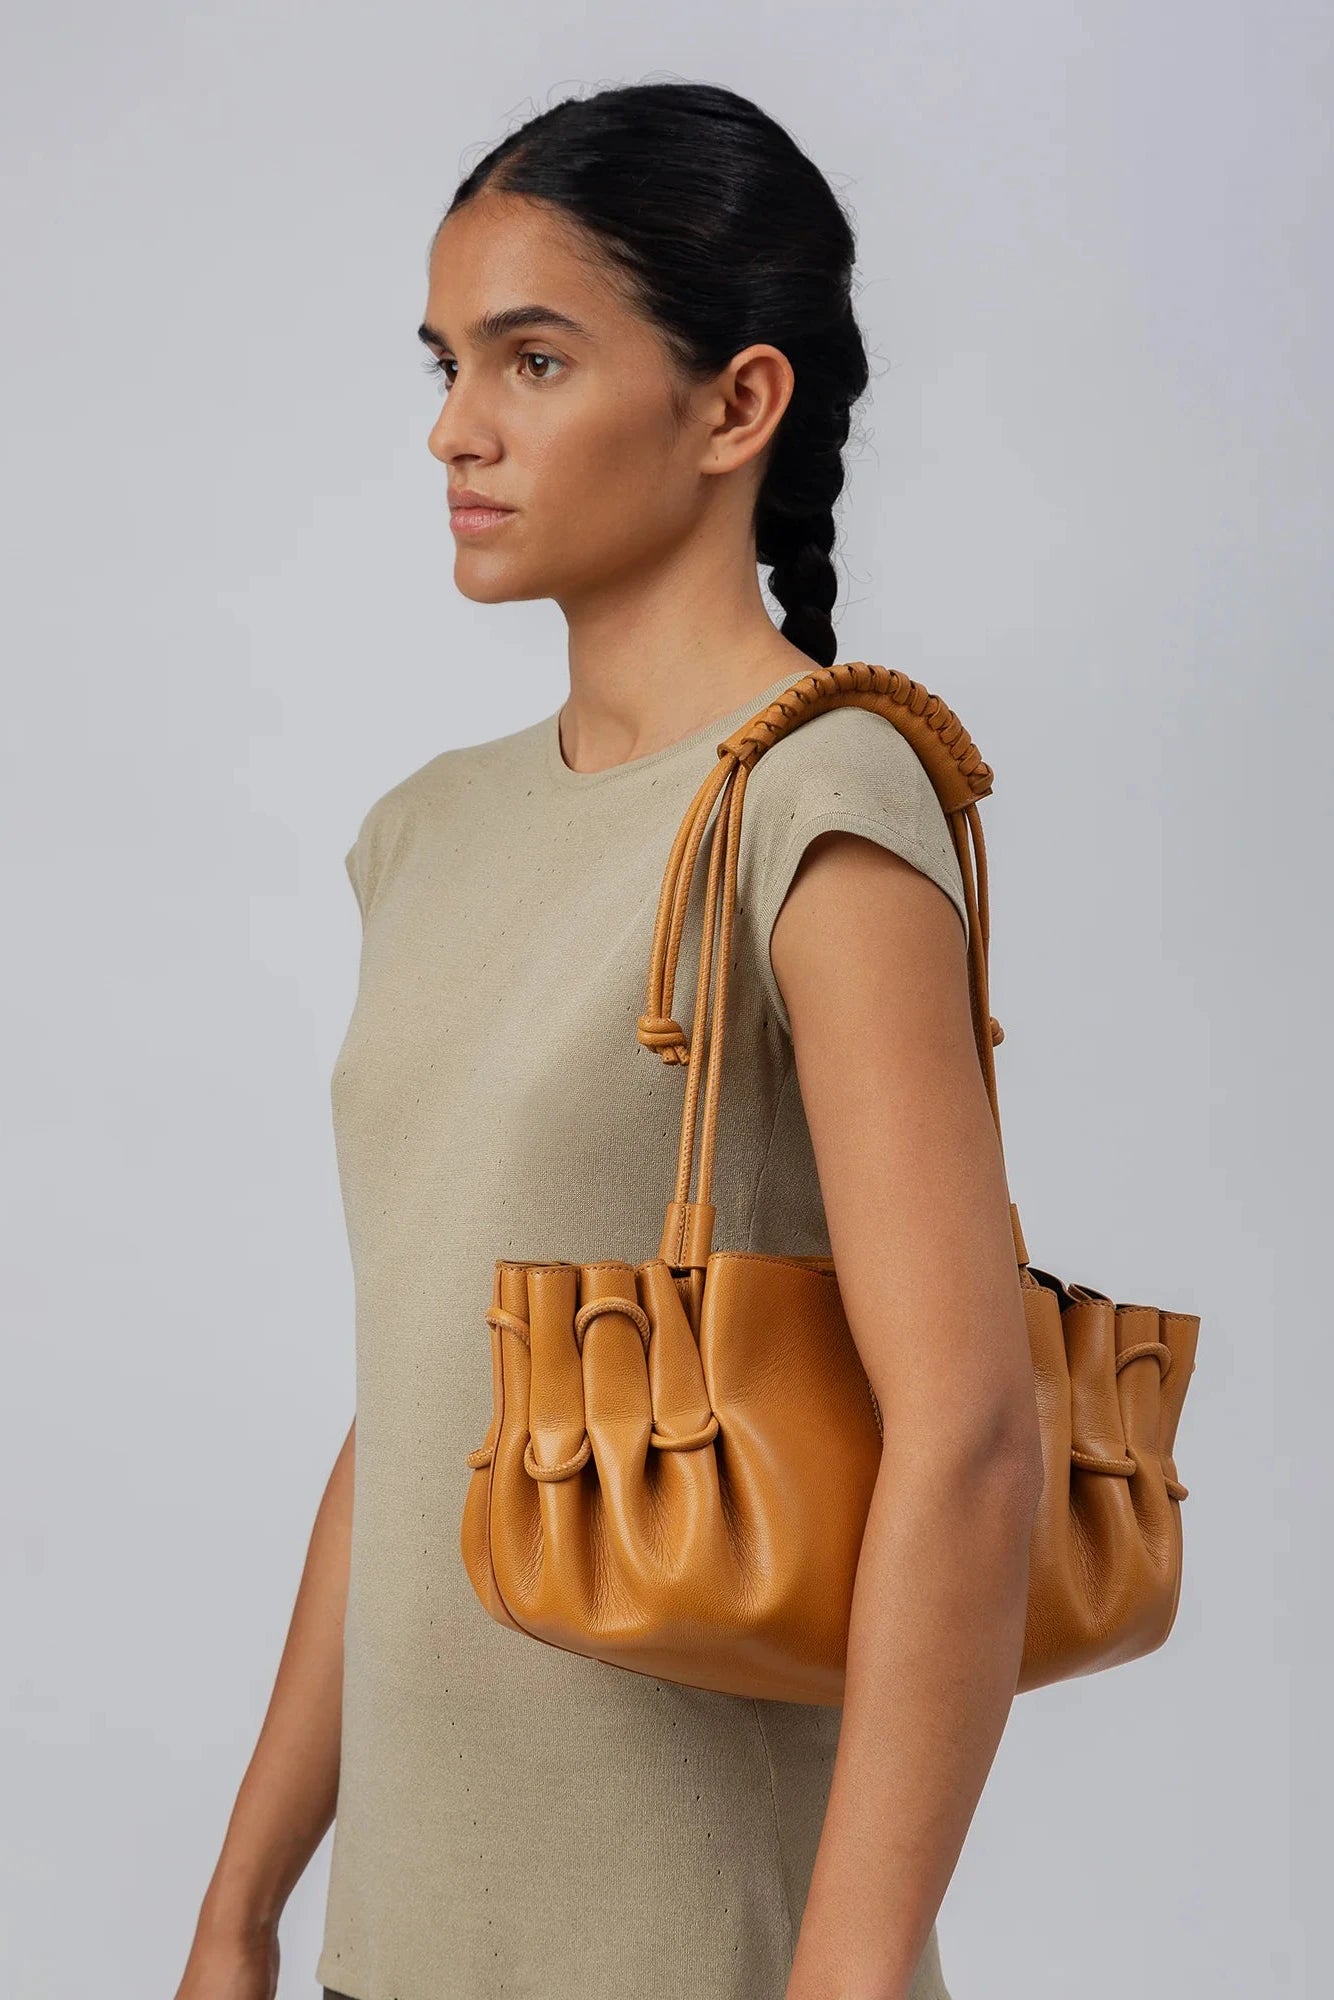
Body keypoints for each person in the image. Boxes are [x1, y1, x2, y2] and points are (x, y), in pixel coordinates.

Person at [173, 78, 1043, 2000]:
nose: (454, 429)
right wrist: (244, 1902)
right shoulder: (428, 831)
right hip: (398, 1949)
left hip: (691, 1954)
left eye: (535, 359)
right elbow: (420, 1410)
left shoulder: (822, 797)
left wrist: (851, 1964)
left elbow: (975, 1431)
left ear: (736, 404)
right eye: (448, 360)